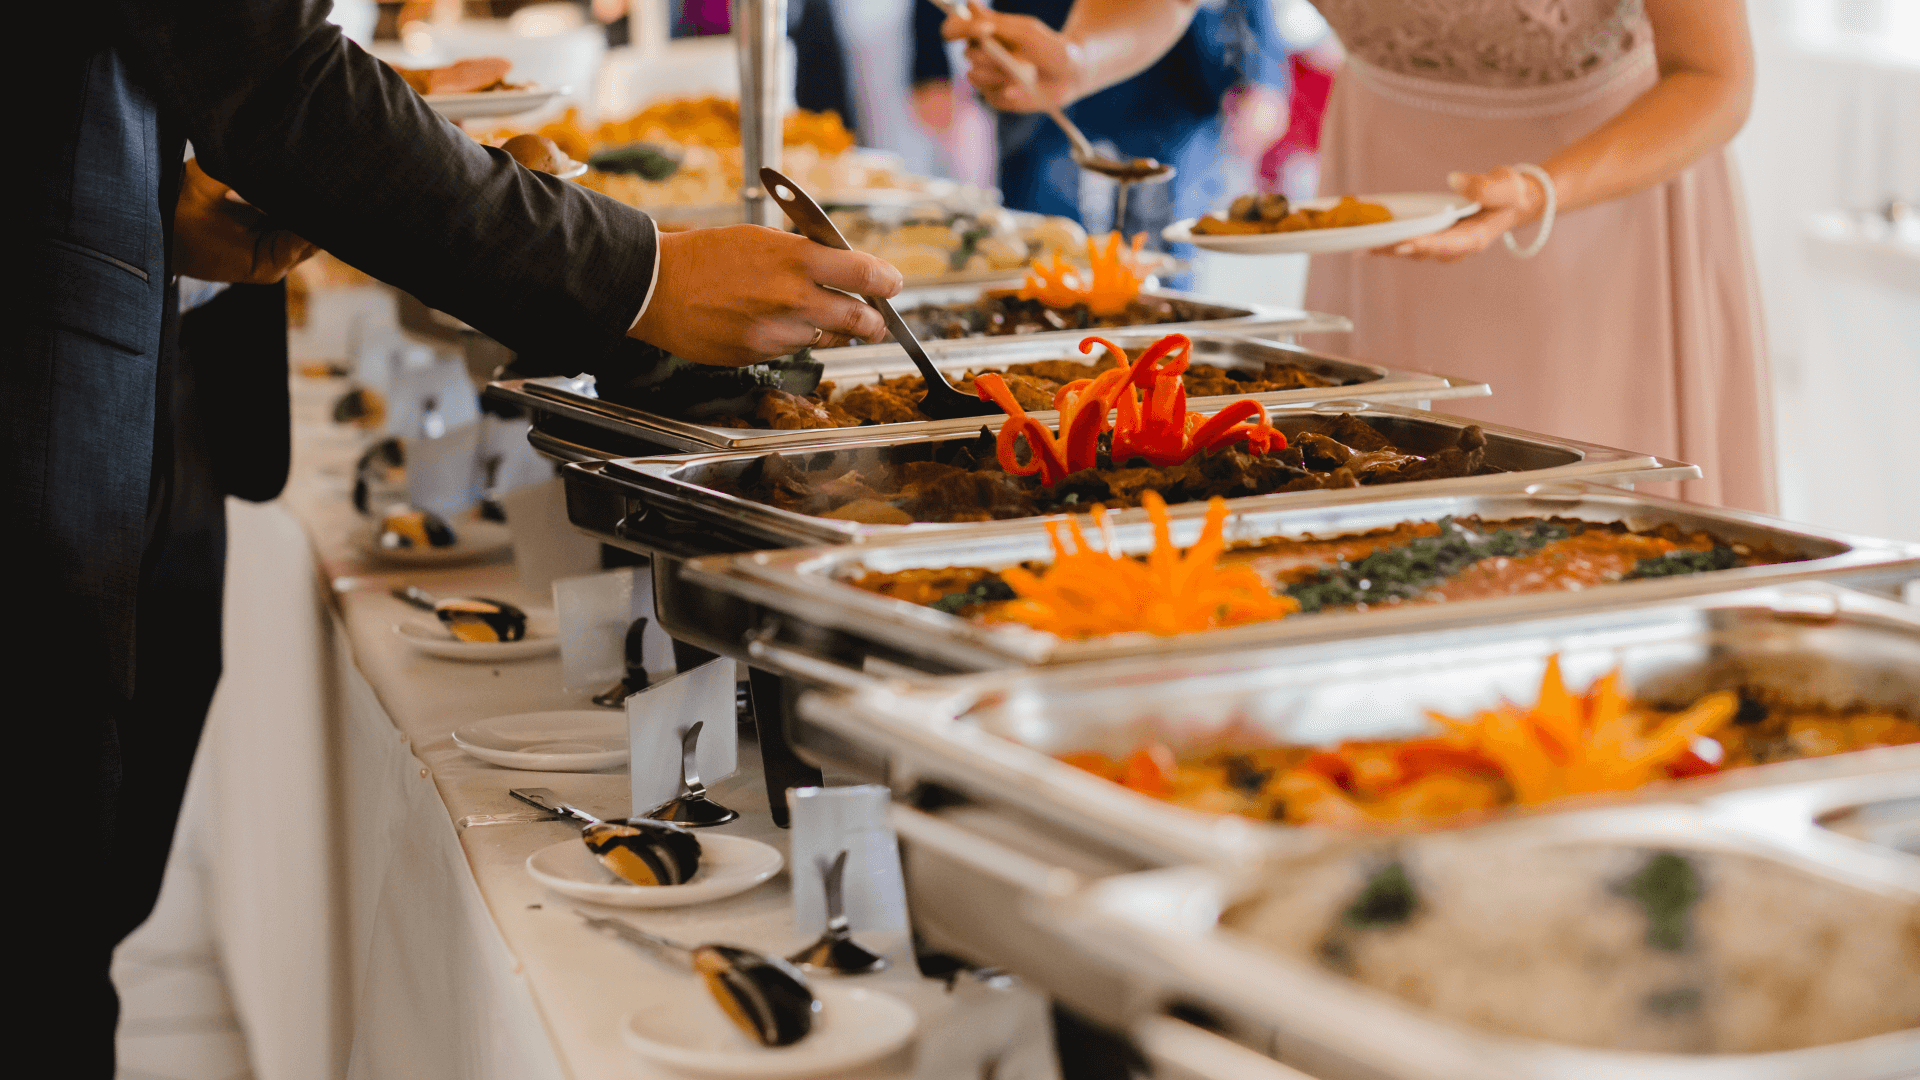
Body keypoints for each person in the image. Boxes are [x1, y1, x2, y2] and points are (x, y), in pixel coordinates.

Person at [23, 4, 899, 1073]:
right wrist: (642, 275)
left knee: (66, 921)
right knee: (40, 948)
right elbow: (272, 76)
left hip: (130, 354)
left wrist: (150, 183)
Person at [948, 0, 1773, 511]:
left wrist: (1538, 189)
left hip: (1595, 208)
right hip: (1379, 198)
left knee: (1590, 529)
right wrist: (1079, 58)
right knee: (1384, 499)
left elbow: (1714, 77)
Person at [913, 0, 1286, 244]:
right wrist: (929, 66)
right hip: (1040, 62)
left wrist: (1265, 71)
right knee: (1043, 246)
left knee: (1164, 258)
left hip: (1175, 81)